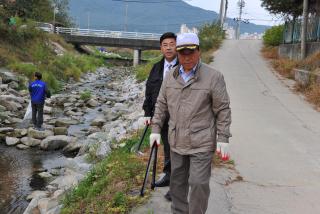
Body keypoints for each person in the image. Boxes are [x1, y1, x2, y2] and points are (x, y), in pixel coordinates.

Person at [149, 33, 232, 214]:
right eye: (182, 53)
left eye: (191, 52)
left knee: (198, 183)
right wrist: (155, 129)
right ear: (178, 54)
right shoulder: (170, 76)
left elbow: (223, 109)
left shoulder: (213, 77)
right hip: (176, 141)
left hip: (201, 141)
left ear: (199, 52)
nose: (186, 57)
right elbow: (161, 104)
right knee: (177, 183)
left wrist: (223, 137)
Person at [142, 32, 178, 201]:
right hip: (161, 114)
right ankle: (168, 175)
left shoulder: (184, 65)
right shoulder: (156, 67)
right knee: (167, 146)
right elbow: (149, 90)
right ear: (161, 48)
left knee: (178, 148)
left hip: (180, 116)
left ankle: (177, 185)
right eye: (165, 44)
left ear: (177, 46)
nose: (169, 47)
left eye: (172, 44)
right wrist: (147, 112)